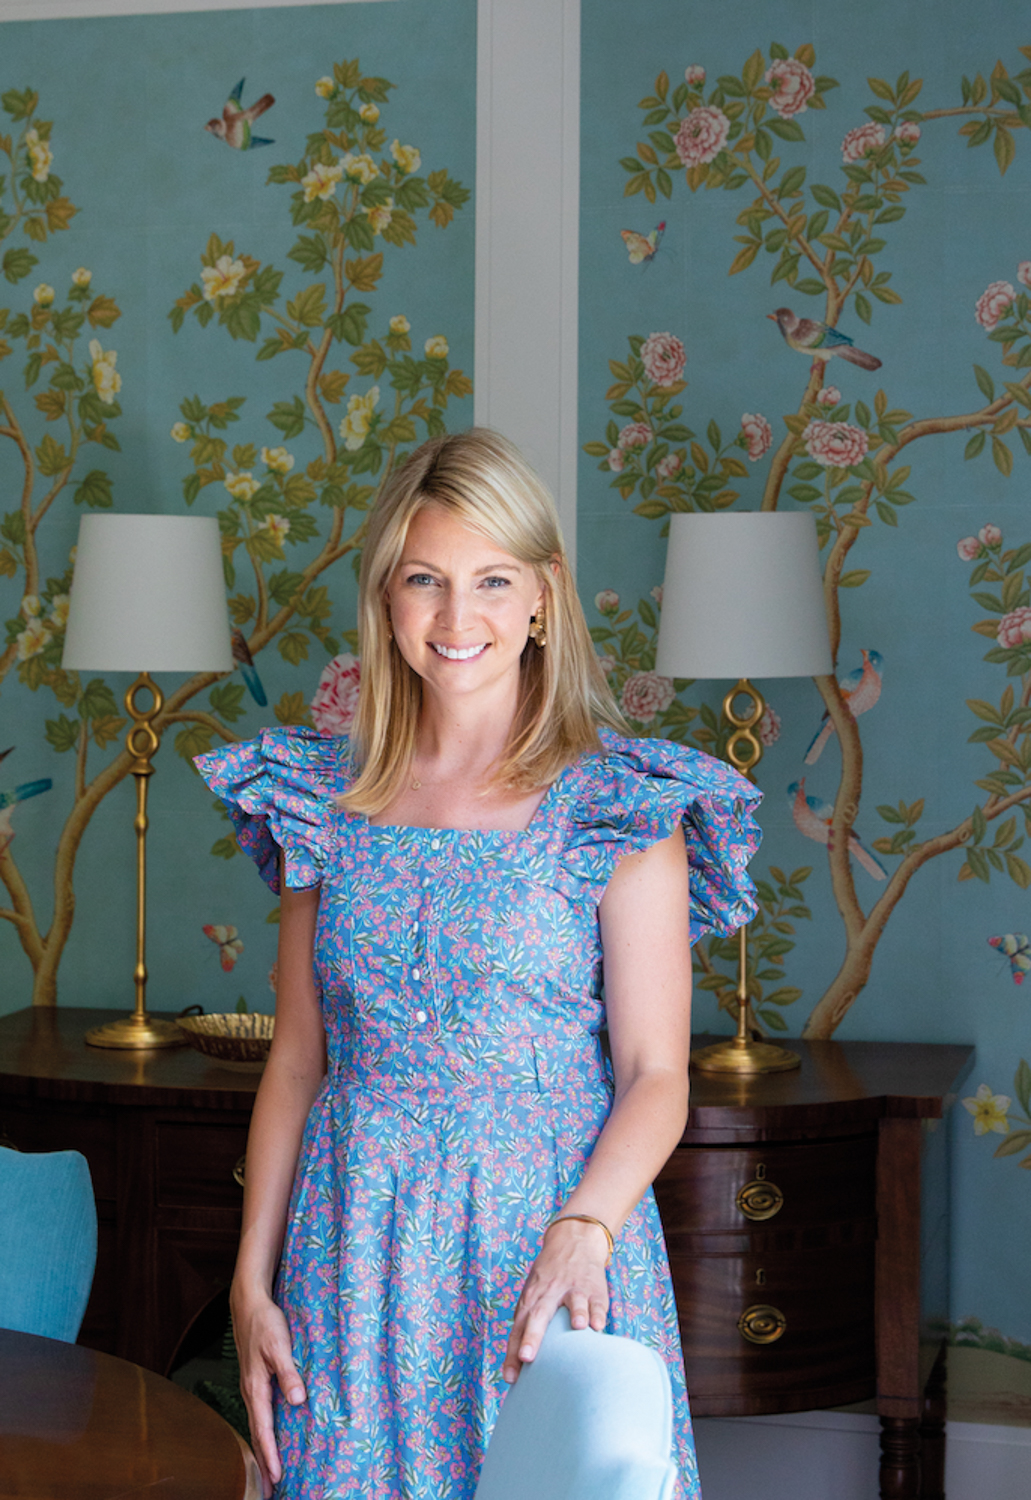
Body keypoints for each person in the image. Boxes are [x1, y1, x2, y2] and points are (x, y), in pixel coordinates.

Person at [195, 428, 761, 1500]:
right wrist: (248, 1279)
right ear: (387, 599)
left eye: (492, 580)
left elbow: (654, 1074)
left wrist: (585, 1227)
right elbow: (297, 1066)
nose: (459, 619)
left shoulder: (618, 803)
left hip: (549, 1234)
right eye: (426, 581)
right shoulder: (328, 800)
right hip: (352, 1238)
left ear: (543, 595)